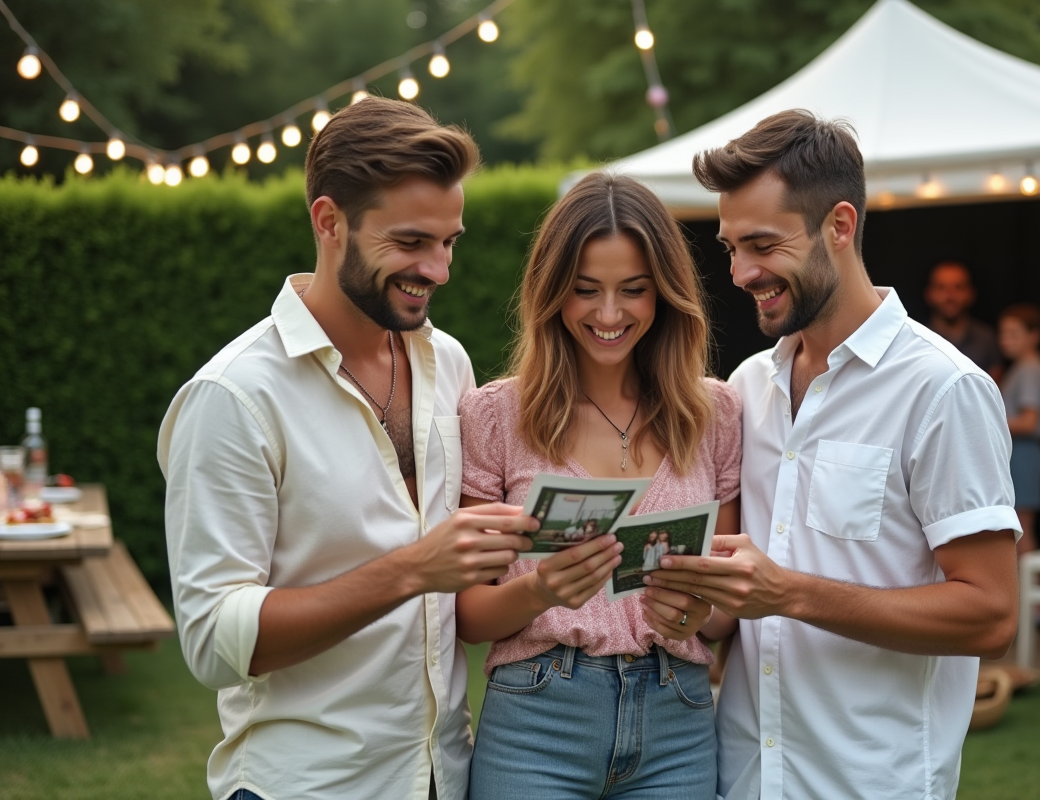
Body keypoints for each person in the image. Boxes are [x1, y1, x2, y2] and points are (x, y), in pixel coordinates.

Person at [157, 97, 537, 800]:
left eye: (450, 241)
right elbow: (213, 641)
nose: (440, 268)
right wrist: (411, 570)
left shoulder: (446, 361)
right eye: (412, 242)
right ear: (329, 222)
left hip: (444, 776)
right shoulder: (234, 396)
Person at [647, 110, 1021, 800]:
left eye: (761, 245)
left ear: (839, 226)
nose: (739, 272)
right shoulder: (746, 388)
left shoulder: (945, 389)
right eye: (730, 247)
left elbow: (992, 615)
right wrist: (687, 598)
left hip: (872, 782)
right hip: (742, 776)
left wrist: (789, 593)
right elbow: (738, 602)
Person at [455, 172, 743, 799]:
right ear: (551, 293)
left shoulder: (714, 412)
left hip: (678, 718)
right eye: (585, 291)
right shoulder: (496, 414)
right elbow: (469, 615)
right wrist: (540, 590)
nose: (609, 315)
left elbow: (723, 613)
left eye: (633, 291)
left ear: (664, 294)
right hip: (538, 719)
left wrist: (698, 610)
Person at [997, 304, 1040, 556]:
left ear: (1034, 335)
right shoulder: (1023, 367)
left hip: (1024, 454)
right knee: (1019, 530)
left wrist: (990, 423)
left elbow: (1030, 422)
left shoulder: (1030, 368)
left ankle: (1031, 597)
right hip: (1020, 454)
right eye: (1003, 333)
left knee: (1022, 531)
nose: (1006, 340)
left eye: (1014, 333)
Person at [925, 261, 1004, 381]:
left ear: (970, 293)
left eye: (958, 287)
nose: (950, 296)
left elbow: (995, 391)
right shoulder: (917, 338)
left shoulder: (987, 338)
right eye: (941, 287)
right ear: (929, 293)